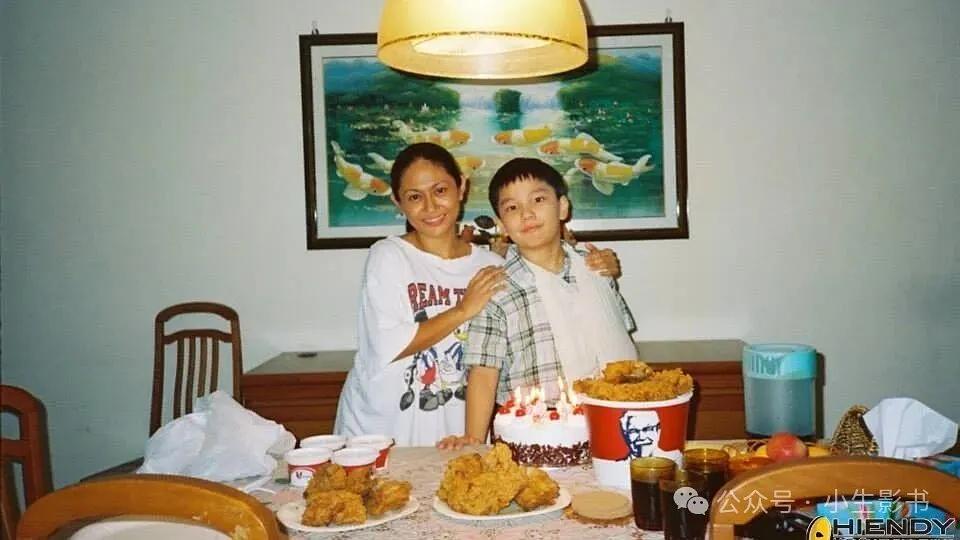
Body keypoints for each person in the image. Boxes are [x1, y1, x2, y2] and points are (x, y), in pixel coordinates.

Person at [335, 145, 621, 446]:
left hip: (455, 432)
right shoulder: (389, 255)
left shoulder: (491, 265)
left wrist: (598, 266)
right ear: (398, 202)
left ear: (461, 187)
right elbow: (386, 344)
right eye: (415, 197)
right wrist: (462, 309)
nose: (431, 206)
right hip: (382, 429)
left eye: (440, 190)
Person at [440, 157, 639, 449]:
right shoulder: (495, 289)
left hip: (622, 424)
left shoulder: (595, 266)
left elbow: (620, 333)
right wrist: (474, 438)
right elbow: (483, 372)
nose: (527, 213)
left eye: (538, 199)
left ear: (563, 207)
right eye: (512, 207)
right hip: (539, 437)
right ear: (502, 225)